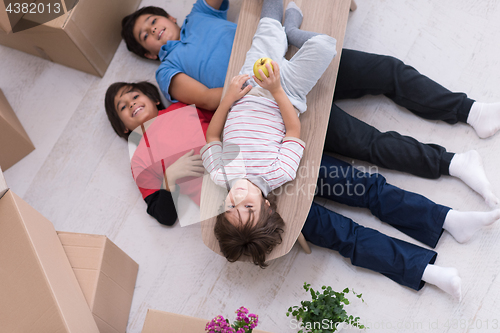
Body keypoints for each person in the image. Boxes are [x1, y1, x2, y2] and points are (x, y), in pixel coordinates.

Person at [120, 0, 499, 206]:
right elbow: (206, 97)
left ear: (168, 15)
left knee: (388, 71)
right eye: (146, 36)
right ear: (151, 54)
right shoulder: (168, 70)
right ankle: (453, 163)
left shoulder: (199, 14)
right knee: (368, 144)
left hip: (289, 59)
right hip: (268, 104)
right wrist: (257, 86)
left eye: (153, 21)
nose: (154, 30)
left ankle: (470, 110)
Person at [201, 7, 336, 267]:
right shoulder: (278, 173)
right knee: (324, 46)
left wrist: (227, 99)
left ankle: (281, 29)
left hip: (247, 88)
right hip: (287, 93)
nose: (237, 200)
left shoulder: (221, 174)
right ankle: (292, 32)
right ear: (266, 205)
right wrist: (276, 90)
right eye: (248, 208)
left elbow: (213, 135)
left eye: (230, 209)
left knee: (268, 29)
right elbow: (294, 130)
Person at [104, 81, 211, 225]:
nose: (131, 104)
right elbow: (165, 217)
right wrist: (169, 178)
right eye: (123, 107)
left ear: (155, 100)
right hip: (221, 200)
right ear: (123, 127)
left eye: (135, 96)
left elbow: (223, 114)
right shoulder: (139, 161)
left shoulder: (182, 107)